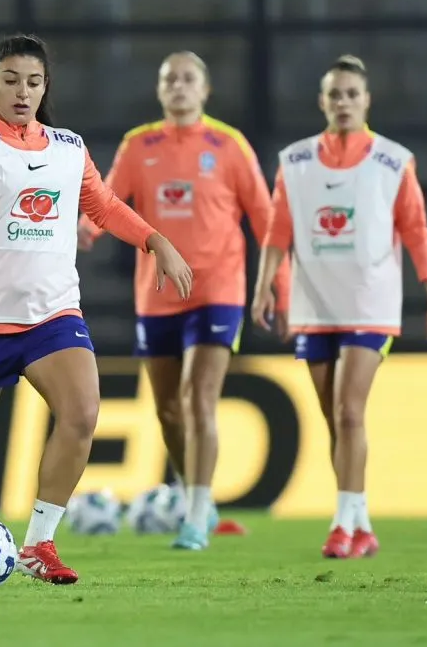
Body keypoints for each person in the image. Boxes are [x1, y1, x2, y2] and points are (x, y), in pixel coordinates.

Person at [0, 34, 193, 584]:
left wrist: (154, 240)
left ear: (46, 88)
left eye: (34, 82)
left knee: (84, 412)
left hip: (51, 317)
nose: (23, 92)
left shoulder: (69, 148)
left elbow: (105, 206)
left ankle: (39, 545)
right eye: (11, 80)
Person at [77, 51, 290, 551]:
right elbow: (107, 202)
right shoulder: (139, 146)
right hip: (157, 295)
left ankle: (195, 517)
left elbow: (266, 219)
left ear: (205, 90)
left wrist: (281, 288)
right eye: (169, 77)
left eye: (188, 78)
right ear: (159, 90)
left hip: (218, 289)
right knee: (169, 411)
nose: (178, 85)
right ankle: (198, 498)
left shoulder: (229, 146)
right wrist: (86, 230)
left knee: (199, 399)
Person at [251, 54, 427, 559]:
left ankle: (341, 525)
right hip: (314, 305)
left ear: (367, 100)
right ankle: (361, 523)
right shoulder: (295, 161)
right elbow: (278, 231)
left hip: (370, 303)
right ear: (322, 102)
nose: (343, 102)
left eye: (352, 94)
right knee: (335, 420)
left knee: (348, 412)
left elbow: (417, 232)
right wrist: (263, 288)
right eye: (335, 94)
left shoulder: (392, 161)